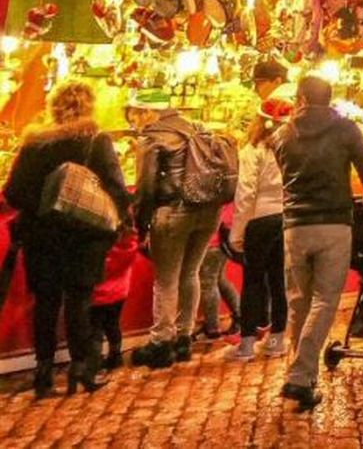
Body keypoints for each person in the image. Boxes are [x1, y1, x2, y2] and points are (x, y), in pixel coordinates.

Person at [3, 81, 128, 398]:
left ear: (53, 107)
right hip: (84, 238)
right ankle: (81, 368)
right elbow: (116, 189)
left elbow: (14, 192)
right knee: (79, 302)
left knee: (45, 303)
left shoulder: (34, 144)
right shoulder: (96, 142)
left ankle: (43, 372)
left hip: (41, 237)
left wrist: (45, 207)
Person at [275, 75, 363, 411]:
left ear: (301, 97)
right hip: (334, 224)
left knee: (299, 303)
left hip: (295, 226)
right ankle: (300, 376)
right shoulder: (346, 130)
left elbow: (285, 172)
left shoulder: (282, 134)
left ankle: (302, 377)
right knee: (324, 301)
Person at [128, 90, 223, 370]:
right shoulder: (198, 128)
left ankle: (161, 343)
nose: (135, 120)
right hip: (208, 211)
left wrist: (141, 222)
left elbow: (145, 187)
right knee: (191, 272)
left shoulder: (153, 136)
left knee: (166, 279)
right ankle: (184, 337)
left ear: (147, 112)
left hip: (173, 212)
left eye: (136, 113)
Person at [229, 96, 293, 360]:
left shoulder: (252, 151)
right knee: (280, 281)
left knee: (253, 281)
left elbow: (246, 194)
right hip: (285, 217)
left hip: (260, 219)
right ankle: (277, 339)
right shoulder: (290, 149)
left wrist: (237, 231)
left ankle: (246, 344)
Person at [92, 226, 138, 372]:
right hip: (119, 292)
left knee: (95, 329)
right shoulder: (129, 242)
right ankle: (115, 355)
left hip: (97, 293)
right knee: (113, 324)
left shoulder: (98, 244)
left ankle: (95, 361)